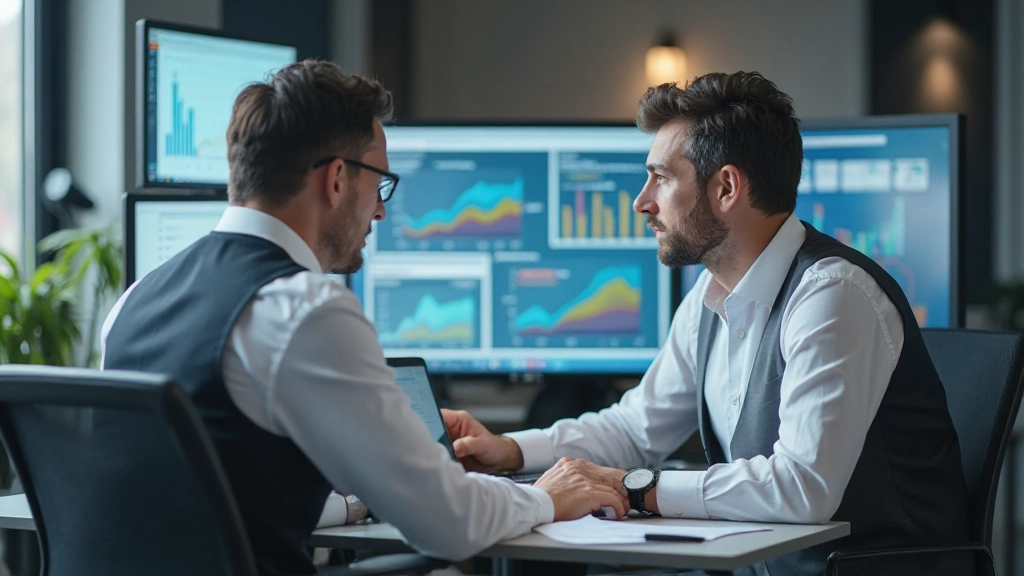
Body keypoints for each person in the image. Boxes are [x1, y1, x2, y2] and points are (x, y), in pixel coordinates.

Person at [100, 60, 629, 576]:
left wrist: (354, 503)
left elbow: (214, 496)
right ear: (335, 180)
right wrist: (543, 498)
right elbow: (449, 524)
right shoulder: (304, 310)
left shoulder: (135, 299)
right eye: (380, 183)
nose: (380, 210)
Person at [442, 71, 971, 576]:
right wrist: (509, 450)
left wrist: (631, 487)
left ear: (726, 189)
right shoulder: (708, 299)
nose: (641, 203)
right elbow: (636, 427)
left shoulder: (833, 293)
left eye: (661, 178)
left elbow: (801, 488)